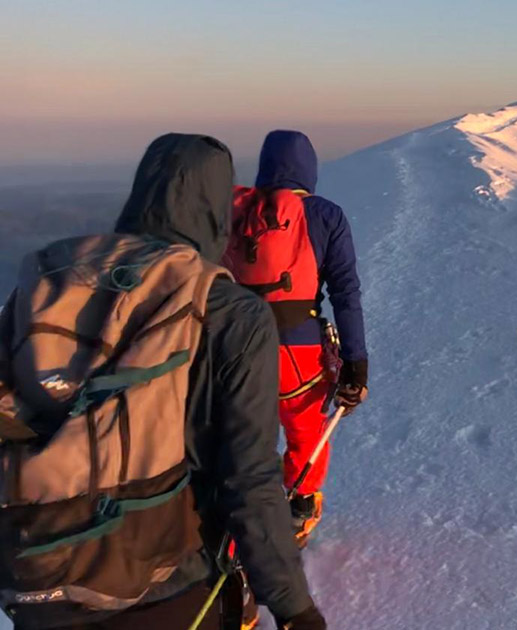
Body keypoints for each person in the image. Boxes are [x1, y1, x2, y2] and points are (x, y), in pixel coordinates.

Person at [0, 134, 325, 629]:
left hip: (33, 572)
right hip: (166, 581)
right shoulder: (229, 310)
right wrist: (293, 607)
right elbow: (249, 478)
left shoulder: (46, 287)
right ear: (219, 209)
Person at [227, 130, 369, 547]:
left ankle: (236, 523)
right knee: (304, 430)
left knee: (243, 438)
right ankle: (298, 509)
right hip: (297, 350)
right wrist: (356, 362)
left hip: (233, 348)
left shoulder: (234, 212)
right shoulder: (324, 215)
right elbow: (345, 292)